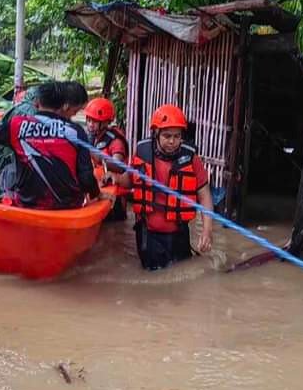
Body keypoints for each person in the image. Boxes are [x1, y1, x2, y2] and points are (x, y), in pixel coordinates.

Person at [0, 80, 100, 209]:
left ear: (36, 103)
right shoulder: (76, 131)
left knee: (7, 171)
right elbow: (86, 178)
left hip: (28, 205)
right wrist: (97, 194)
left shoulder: (17, 124)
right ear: (63, 105)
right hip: (68, 206)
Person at [125, 105, 214, 270]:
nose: (172, 141)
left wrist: (207, 231)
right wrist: (112, 177)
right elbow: (129, 180)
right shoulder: (142, 152)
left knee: (181, 277)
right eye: (167, 136)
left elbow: (205, 196)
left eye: (177, 136)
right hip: (149, 234)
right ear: (156, 134)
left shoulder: (191, 158)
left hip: (178, 234)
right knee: (152, 276)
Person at [84, 97, 129, 222]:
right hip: (100, 190)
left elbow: (119, 165)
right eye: (88, 120)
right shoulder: (92, 137)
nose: (90, 124)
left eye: (94, 121)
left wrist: (94, 154)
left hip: (115, 196)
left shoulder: (115, 141)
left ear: (105, 122)